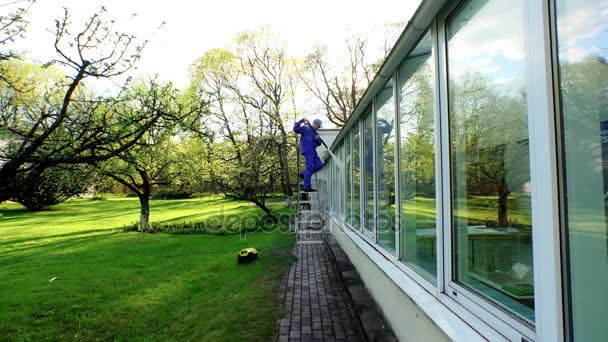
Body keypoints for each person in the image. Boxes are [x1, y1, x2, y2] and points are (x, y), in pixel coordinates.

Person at [293, 118, 324, 192]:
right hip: (308, 150)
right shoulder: (305, 128)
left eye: (319, 127)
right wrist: (301, 121)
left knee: (320, 165)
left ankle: (304, 174)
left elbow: (319, 144)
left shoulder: (315, 133)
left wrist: (318, 139)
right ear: (314, 123)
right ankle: (307, 187)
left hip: (313, 151)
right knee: (309, 168)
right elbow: (295, 129)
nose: (318, 128)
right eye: (318, 126)